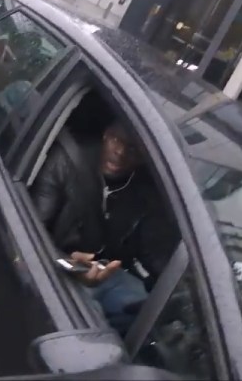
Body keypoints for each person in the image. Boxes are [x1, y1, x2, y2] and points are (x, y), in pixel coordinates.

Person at [30, 120, 177, 337]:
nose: (120, 152)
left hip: (106, 271)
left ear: (145, 157)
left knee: (146, 313)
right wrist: (71, 267)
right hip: (54, 265)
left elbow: (154, 249)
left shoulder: (145, 189)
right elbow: (29, 237)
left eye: (133, 149)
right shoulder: (66, 163)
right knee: (91, 323)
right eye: (117, 140)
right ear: (106, 135)